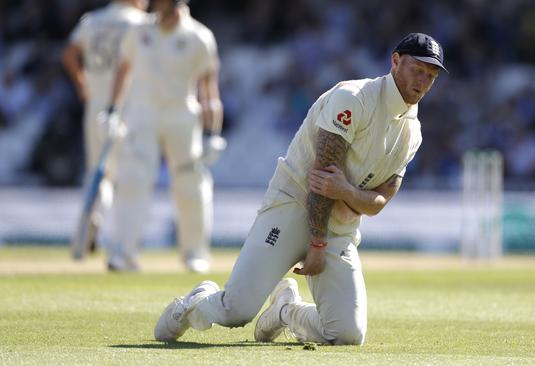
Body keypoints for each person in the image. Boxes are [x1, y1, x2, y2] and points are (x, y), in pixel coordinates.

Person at [154, 32, 446, 345]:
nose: (423, 81)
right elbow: (320, 178)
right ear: (395, 61)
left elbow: (378, 203)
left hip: (338, 226)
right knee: (235, 311)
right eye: (417, 70)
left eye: (430, 76)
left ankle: (285, 311)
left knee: (348, 334)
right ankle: (189, 307)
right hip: (292, 204)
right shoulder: (354, 97)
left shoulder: (412, 132)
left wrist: (346, 193)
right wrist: (318, 242)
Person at [103, 0, 224, 272]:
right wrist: (112, 111)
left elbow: (209, 90)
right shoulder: (139, 30)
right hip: (142, 115)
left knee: (190, 185)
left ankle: (195, 253)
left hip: (181, 117)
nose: (156, 5)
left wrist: (212, 133)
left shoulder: (199, 36)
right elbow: (123, 71)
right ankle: (124, 253)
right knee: (133, 181)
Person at [62, 0, 149, 255]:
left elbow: (68, 54)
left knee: (99, 173)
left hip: (97, 106)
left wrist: (82, 87)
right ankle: (124, 242)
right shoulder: (141, 23)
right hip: (131, 106)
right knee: (130, 175)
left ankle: (91, 222)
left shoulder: (92, 20)